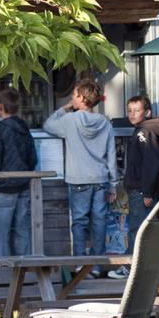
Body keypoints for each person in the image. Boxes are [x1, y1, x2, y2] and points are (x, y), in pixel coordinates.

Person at [43, 79, 117, 268]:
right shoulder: (105, 123)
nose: (71, 98)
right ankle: (98, 265)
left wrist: (66, 108)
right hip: (101, 180)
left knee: (79, 222)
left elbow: (48, 125)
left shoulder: (70, 120)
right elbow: (111, 155)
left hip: (78, 180)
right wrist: (113, 184)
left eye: (74, 95)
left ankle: (80, 264)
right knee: (99, 222)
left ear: (82, 98)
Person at [112, 95, 159, 278]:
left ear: (148, 112)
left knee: (138, 229)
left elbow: (151, 162)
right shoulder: (142, 130)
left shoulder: (145, 132)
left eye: (137, 110)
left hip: (141, 190)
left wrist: (146, 191)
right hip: (139, 189)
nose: (132, 114)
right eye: (129, 110)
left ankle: (130, 268)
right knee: (142, 229)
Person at [0, 87, 37, 257]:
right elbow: (33, 159)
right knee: (21, 231)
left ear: (0, 106)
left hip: (3, 188)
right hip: (23, 186)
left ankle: (4, 274)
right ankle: (25, 274)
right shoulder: (25, 128)